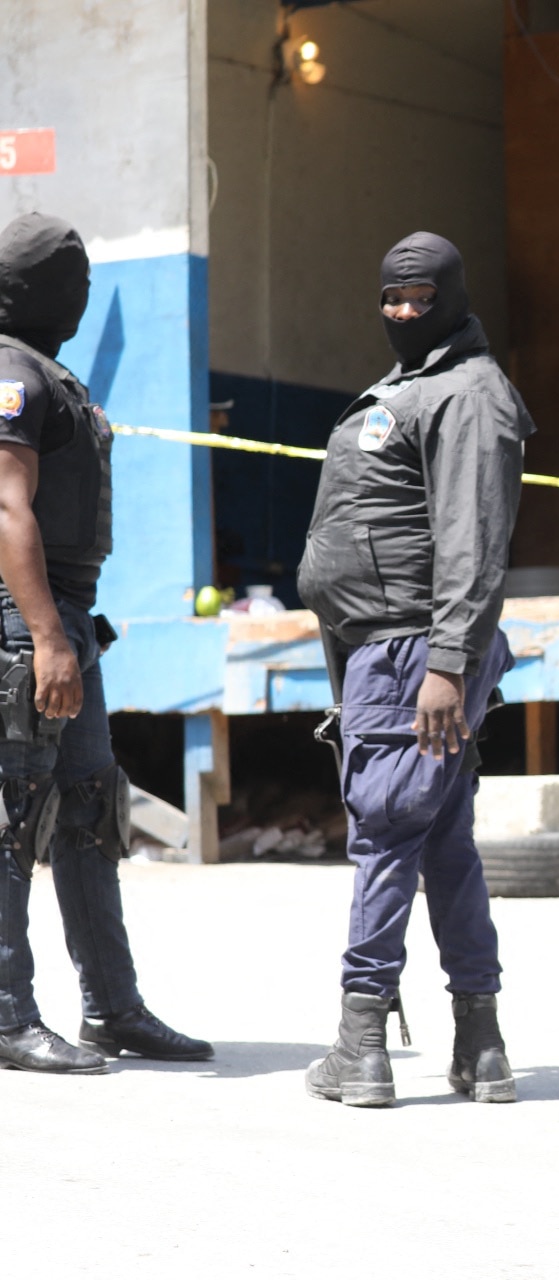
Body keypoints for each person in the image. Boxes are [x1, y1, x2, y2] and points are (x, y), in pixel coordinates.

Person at [296, 232, 533, 1106]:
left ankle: (361, 1046)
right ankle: (483, 1045)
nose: (401, 312)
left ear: (453, 296)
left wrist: (447, 662)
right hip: (390, 652)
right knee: (441, 843)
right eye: (390, 298)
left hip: (412, 655)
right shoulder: (414, 387)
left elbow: (475, 539)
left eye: (419, 298)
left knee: (385, 833)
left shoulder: (470, 393)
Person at [0, 212, 211, 1072]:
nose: (84, 296)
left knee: (90, 809)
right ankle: (10, 1015)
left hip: (71, 617)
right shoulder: (12, 372)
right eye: (73, 282)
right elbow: (6, 508)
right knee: (14, 817)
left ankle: (113, 1008)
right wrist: (46, 636)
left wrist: (68, 631)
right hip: (28, 618)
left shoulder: (51, 373)